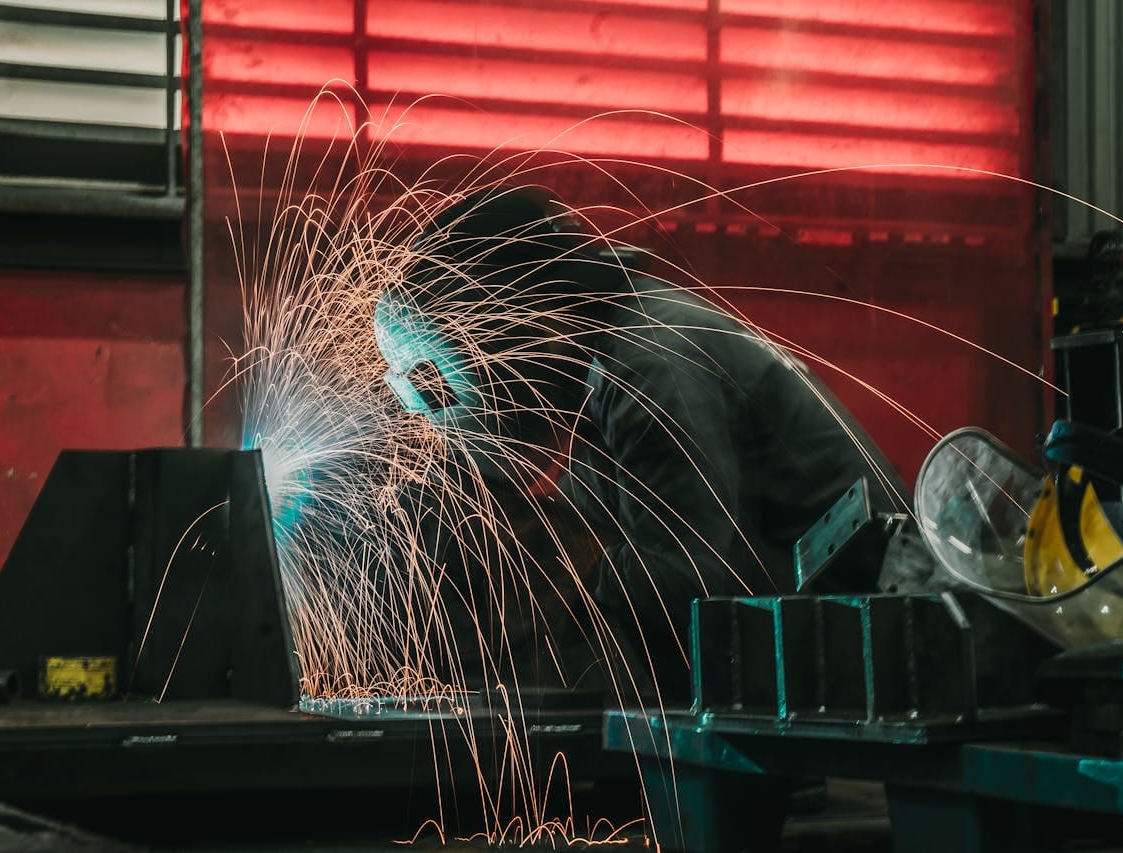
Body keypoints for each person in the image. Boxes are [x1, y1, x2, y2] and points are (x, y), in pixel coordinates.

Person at [374, 185, 908, 703]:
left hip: (889, 657)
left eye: (438, 380)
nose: (437, 416)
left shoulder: (648, 365)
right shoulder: (592, 387)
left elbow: (694, 589)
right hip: (824, 661)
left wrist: (559, 565)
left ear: (507, 323)